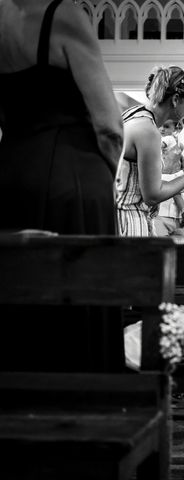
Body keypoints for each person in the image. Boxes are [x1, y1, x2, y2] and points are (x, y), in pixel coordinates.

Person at [0, 0, 124, 372]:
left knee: (21, 305)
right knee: (83, 300)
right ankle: (89, 408)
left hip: (11, 173)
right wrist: (103, 181)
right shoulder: (64, 15)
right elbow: (109, 126)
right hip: (74, 176)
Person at [115, 65, 184, 236]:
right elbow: (153, 195)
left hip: (121, 217)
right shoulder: (148, 130)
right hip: (128, 221)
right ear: (176, 99)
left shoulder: (134, 113)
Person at [152, 118, 184, 237]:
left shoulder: (182, 149)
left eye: (166, 127)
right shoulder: (152, 151)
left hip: (178, 218)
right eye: (160, 125)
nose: (162, 129)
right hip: (159, 214)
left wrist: (182, 172)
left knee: (181, 254)